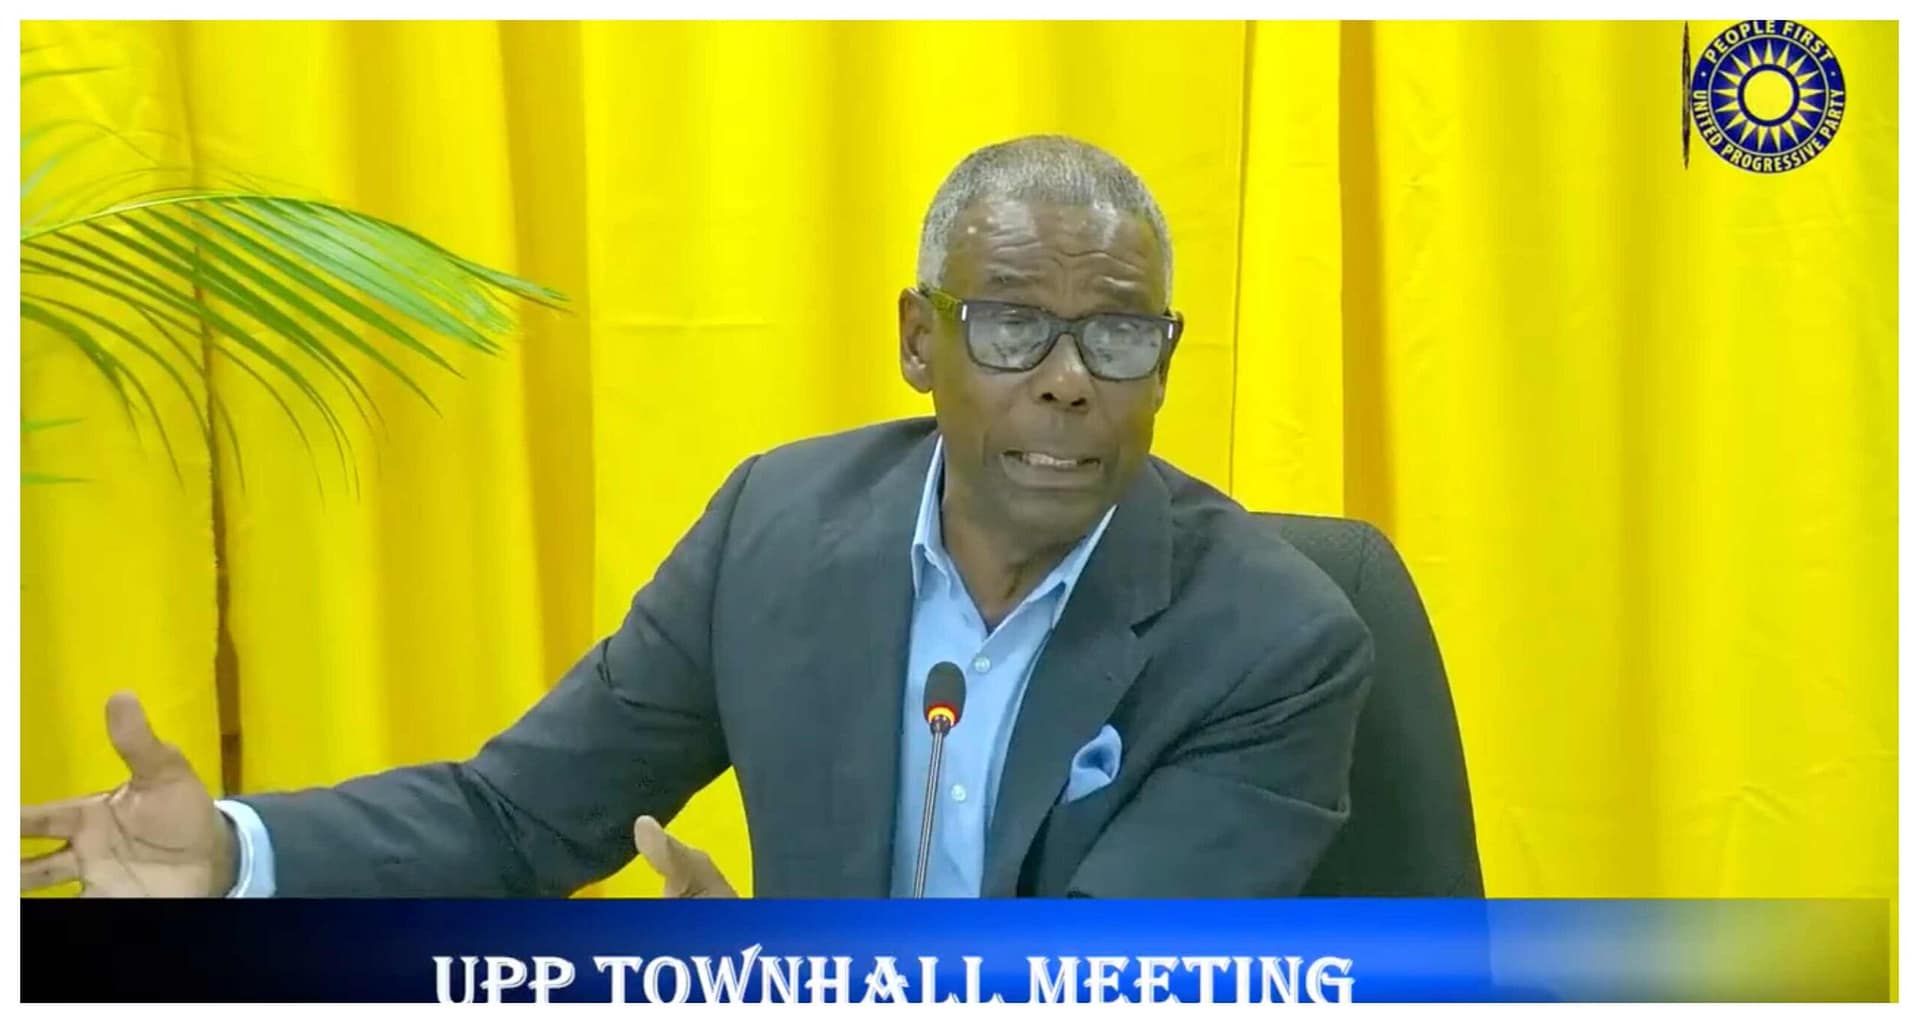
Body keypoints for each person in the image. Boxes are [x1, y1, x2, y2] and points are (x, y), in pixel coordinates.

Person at [19, 135, 1372, 899]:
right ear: (919, 340)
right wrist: (237, 853)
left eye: (1119, 335)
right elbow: (518, 818)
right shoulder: (776, 531)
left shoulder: (1276, 639)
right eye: (1012, 325)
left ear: (1162, 364)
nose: (1069, 380)